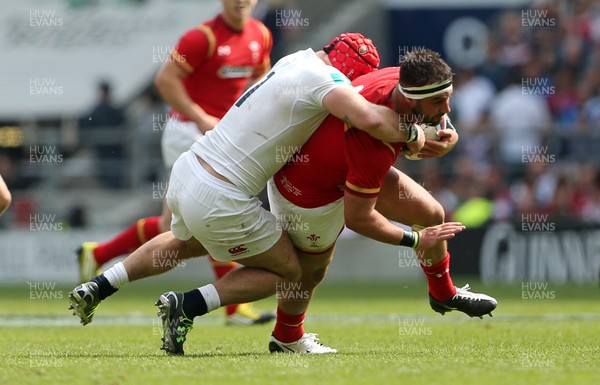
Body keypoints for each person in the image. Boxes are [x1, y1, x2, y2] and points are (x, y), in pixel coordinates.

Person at [68, 32, 464, 356]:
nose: (357, 89)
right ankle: (186, 306)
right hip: (222, 194)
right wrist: (419, 136)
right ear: (348, 71)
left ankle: (100, 285)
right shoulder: (328, 81)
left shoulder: (293, 59)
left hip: (191, 167)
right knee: (293, 271)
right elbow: (370, 117)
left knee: (184, 244)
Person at [266, 50, 497, 352]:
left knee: (430, 212)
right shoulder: (373, 138)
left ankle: (443, 293)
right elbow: (359, 218)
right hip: (306, 185)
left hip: (340, 165)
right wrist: (415, 240)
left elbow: (433, 112)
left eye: (448, 98)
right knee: (310, 270)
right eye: (439, 102)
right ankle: (284, 336)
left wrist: (448, 132)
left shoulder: (401, 82)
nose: (447, 107)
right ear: (412, 101)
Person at [77, 0, 275, 325]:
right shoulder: (202, 38)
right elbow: (165, 80)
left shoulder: (261, 35)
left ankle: (97, 254)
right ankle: (232, 307)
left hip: (223, 136)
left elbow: (260, 79)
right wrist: (200, 117)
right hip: (187, 131)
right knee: (215, 208)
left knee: (172, 227)